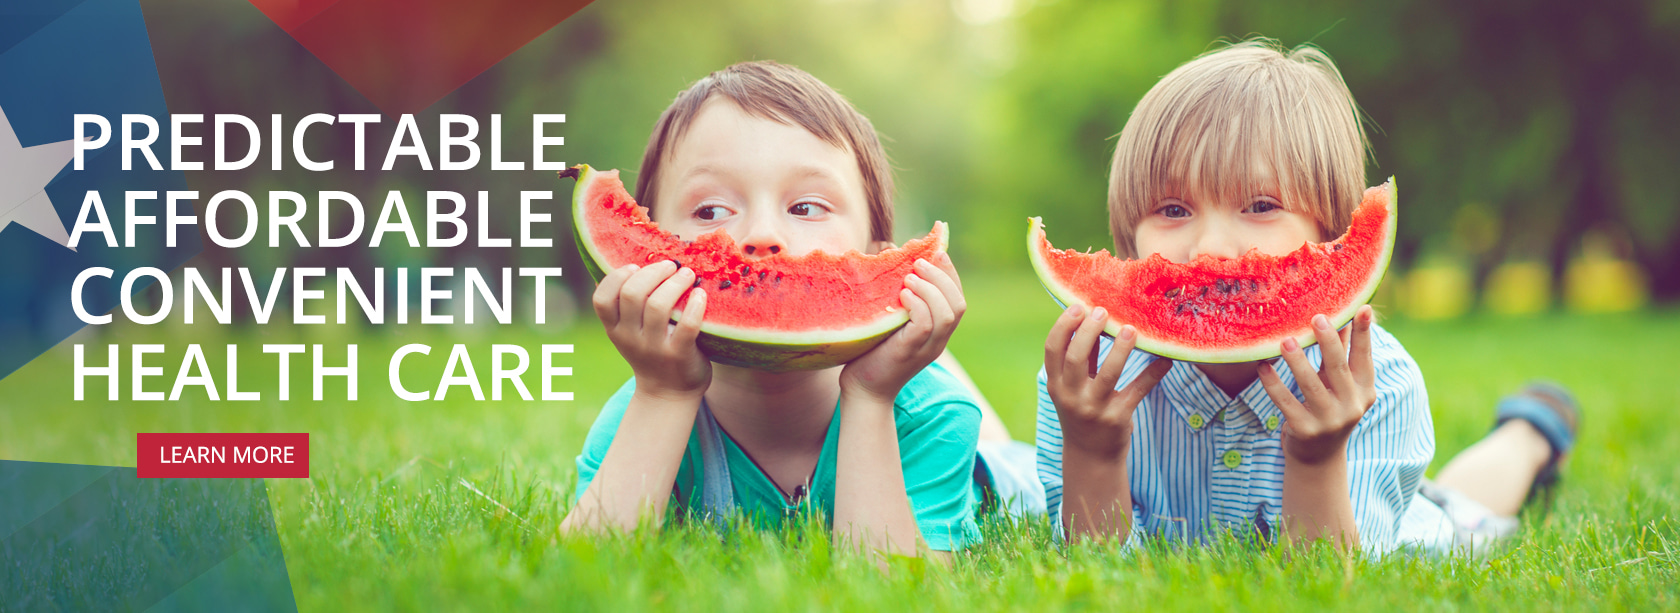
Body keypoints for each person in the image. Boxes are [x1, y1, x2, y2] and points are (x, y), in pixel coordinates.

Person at [1034, 39, 1581, 554]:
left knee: (1462, 516)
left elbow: (1332, 581)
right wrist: (1092, 450)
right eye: (1174, 210)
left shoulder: (1379, 385)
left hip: (1387, 524)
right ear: (1131, 238)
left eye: (1261, 205)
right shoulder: (1085, 383)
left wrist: (1318, 459)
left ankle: (1529, 431)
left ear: (1332, 234)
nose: (1213, 249)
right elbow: (1097, 567)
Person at [561, 60, 1037, 561]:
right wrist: (663, 396)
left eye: (805, 207)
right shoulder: (640, 409)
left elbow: (893, 589)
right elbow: (581, 574)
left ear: (877, 256)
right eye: (709, 211)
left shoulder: (931, 414)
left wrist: (872, 397)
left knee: (1009, 464)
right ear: (651, 246)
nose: (762, 235)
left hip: (999, 475)